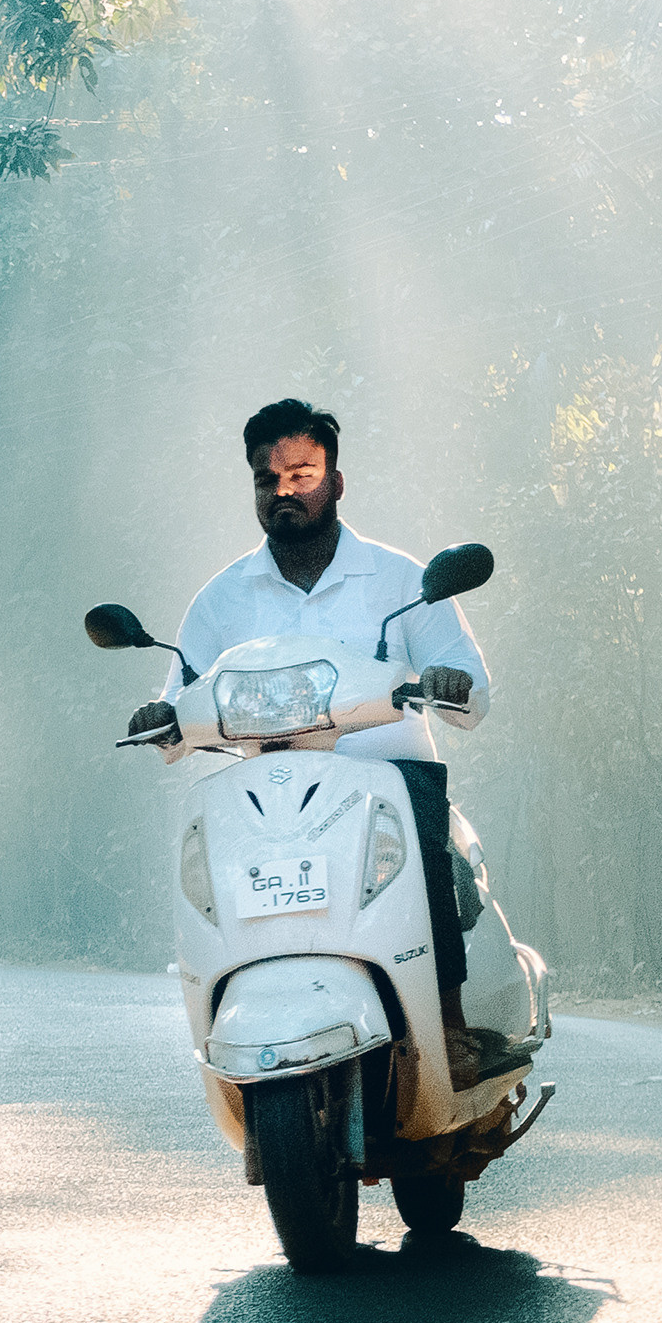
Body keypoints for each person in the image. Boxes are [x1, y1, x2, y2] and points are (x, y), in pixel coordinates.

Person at [126, 397, 514, 1091]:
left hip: (388, 779)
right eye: (266, 479)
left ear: (336, 480)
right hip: (265, 792)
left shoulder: (402, 580)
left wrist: (451, 682)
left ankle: (449, 1028)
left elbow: (473, 692)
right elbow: (180, 696)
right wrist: (161, 715)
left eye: (302, 474)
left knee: (428, 859)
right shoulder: (221, 600)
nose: (284, 492)